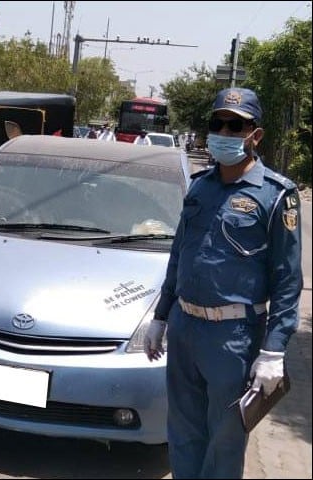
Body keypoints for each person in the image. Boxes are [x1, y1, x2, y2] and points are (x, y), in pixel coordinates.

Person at [144, 87, 302, 479]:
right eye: (219, 124)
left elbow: (287, 280)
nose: (226, 132)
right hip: (184, 327)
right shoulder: (199, 187)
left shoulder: (277, 195)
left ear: (256, 135)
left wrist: (274, 350)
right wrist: (161, 317)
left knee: (225, 440)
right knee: (182, 432)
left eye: (237, 126)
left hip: (234, 336)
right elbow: (179, 255)